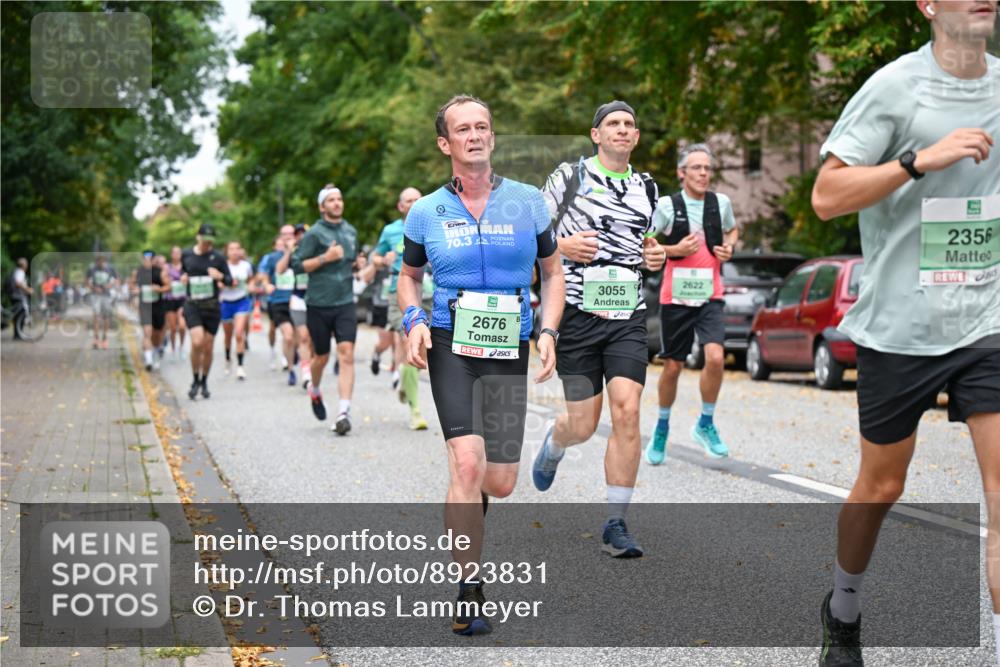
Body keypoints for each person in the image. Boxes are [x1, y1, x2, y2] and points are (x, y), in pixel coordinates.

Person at [810, 2, 999, 665]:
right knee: (882, 485)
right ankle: (843, 603)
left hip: (988, 320)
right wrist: (919, 160)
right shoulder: (895, 87)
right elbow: (827, 196)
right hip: (901, 323)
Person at [399, 94, 564, 636]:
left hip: (508, 345)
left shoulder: (528, 203)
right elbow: (409, 278)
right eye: (462, 129)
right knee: (467, 465)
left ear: (492, 137)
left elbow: (553, 272)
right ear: (445, 143)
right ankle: (469, 588)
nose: (474, 135)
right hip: (450, 342)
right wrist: (413, 320)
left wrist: (547, 331)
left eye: (483, 127)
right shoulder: (425, 211)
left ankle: (464, 496)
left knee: (501, 480)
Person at [532, 100, 666, 558]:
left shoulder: (647, 188)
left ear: (636, 137)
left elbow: (644, 243)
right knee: (584, 425)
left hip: (627, 314)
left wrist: (656, 256)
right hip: (577, 314)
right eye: (613, 123)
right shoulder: (567, 178)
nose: (623, 130)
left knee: (627, 411)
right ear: (596, 135)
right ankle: (556, 441)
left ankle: (616, 522)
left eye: (630, 124)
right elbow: (529, 232)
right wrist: (562, 244)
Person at [645, 143, 738, 464]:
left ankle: (706, 422)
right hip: (677, 297)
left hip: (711, 294)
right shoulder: (669, 207)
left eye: (707, 168)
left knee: (715, 357)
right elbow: (647, 240)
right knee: (673, 366)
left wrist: (729, 248)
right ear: (681, 173)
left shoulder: (720, 203)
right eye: (696, 168)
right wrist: (674, 251)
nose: (703, 174)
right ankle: (661, 426)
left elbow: (733, 230)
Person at [292, 185, 365, 435]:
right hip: (318, 304)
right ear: (322, 206)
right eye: (331, 200)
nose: (337, 203)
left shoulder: (350, 231)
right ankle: (315, 389)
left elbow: (351, 263)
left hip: (344, 302)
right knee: (321, 358)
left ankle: (343, 412)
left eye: (339, 199)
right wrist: (326, 257)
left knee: (346, 353)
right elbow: (297, 266)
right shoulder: (313, 234)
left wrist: (358, 263)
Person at [372, 187, 431, 430]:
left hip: (430, 292)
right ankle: (415, 410)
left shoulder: (433, 224)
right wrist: (381, 260)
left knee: (423, 351)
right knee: (409, 341)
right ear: (401, 206)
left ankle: (407, 386)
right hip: (401, 291)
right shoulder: (391, 230)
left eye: (418, 199)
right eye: (409, 200)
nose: (415, 203)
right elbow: (375, 257)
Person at [181, 223, 235, 400]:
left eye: (210, 241)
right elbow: (183, 272)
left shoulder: (218, 258)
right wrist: (183, 278)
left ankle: (204, 381)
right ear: (198, 237)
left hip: (211, 306)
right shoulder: (187, 254)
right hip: (193, 305)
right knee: (197, 342)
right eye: (205, 240)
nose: (207, 244)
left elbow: (229, 280)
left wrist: (220, 276)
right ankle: (195, 379)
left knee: (208, 346)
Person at [258, 226, 299, 385]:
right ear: (280, 237)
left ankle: (292, 356)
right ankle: (290, 370)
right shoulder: (271, 257)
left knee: (297, 337)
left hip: (297, 301)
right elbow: (264, 275)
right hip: (278, 301)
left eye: (291, 234)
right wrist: (266, 285)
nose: (288, 237)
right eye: (285, 235)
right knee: (287, 336)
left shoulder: (302, 254)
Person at [281, 223, 313, 389]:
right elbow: (279, 270)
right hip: (298, 300)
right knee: (303, 336)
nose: (300, 237)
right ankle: (304, 373)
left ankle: (309, 366)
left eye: (303, 234)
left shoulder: (316, 249)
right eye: (297, 234)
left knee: (314, 340)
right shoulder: (293, 253)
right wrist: (288, 251)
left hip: (315, 299)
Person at [220, 240, 255, 381]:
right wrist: (226, 284)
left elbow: (251, 280)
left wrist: (251, 286)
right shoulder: (222, 266)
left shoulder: (246, 266)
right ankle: (228, 358)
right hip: (226, 303)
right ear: (227, 252)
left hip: (242, 301)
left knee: (239, 334)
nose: (234, 252)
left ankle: (240, 367)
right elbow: (217, 282)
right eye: (231, 249)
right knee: (228, 336)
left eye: (237, 249)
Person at [136, 250, 167, 371]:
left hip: (158, 306)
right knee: (147, 332)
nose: (147, 262)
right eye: (145, 259)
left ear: (154, 260)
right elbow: (132, 285)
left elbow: (168, 286)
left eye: (150, 259)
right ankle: (148, 360)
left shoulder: (160, 272)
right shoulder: (138, 272)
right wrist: (134, 289)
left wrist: (159, 289)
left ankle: (156, 352)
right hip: (145, 306)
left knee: (157, 335)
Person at [86, 254, 119, 350]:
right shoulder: (92, 269)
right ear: (97, 261)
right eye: (99, 261)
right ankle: (96, 339)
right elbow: (87, 281)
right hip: (95, 295)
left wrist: (108, 286)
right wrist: (93, 288)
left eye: (103, 260)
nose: (101, 262)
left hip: (106, 296)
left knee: (106, 317)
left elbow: (116, 280)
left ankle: (104, 338)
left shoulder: (110, 269)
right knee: (96, 317)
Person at [163, 245, 188, 360]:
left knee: (182, 326)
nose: (176, 255)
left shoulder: (186, 267)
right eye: (174, 252)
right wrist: (168, 281)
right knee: (173, 328)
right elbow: (164, 280)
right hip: (170, 299)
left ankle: (182, 347)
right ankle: (173, 349)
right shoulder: (166, 267)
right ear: (171, 254)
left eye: (179, 252)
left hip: (182, 299)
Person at [9, 258, 32, 340]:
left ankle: (17, 334)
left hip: (14, 295)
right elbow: (18, 283)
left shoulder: (16, 271)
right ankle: (18, 334)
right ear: (24, 265)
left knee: (18, 315)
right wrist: (28, 290)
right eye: (26, 264)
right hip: (18, 296)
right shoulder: (20, 272)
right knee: (20, 315)